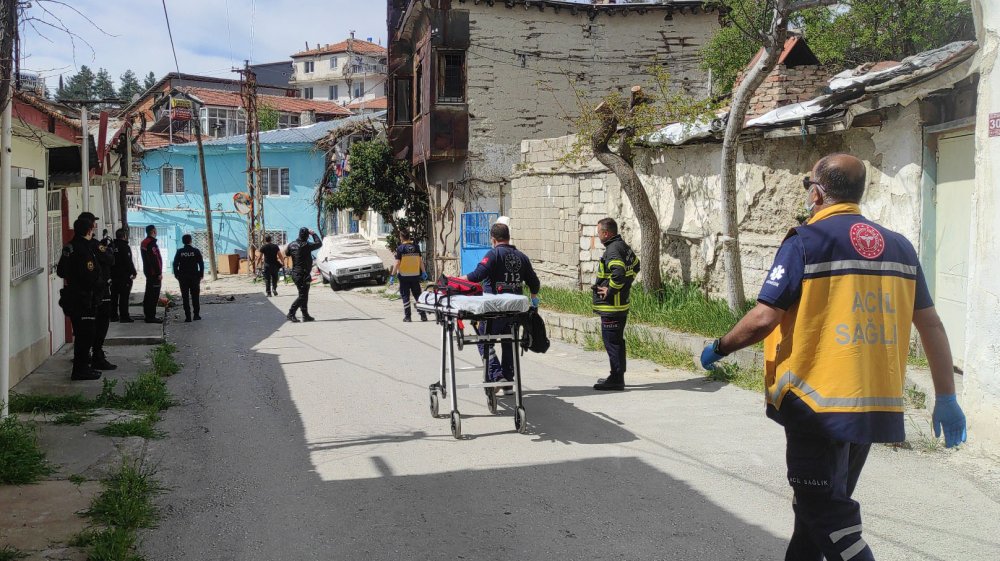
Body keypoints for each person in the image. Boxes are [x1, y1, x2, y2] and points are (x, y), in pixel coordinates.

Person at [699, 153, 967, 561]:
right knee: (814, 516)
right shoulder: (899, 247)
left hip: (815, 405)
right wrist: (947, 397)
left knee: (828, 517)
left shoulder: (807, 241)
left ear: (818, 192)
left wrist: (720, 347)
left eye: (809, 186)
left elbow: (764, 317)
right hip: (872, 405)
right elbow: (930, 325)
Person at [462, 223, 540, 392]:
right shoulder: (522, 257)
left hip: (493, 311)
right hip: (514, 312)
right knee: (509, 342)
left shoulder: (493, 255)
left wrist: (456, 281)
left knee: (484, 340)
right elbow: (534, 283)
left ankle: (497, 375)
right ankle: (508, 381)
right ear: (508, 237)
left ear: (493, 239)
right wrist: (534, 298)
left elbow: (476, 276)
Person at [591, 217, 640, 391]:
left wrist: (611, 290)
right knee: (616, 341)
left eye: (599, 233)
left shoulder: (612, 250)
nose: (598, 236)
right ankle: (616, 375)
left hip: (613, 306)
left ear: (606, 233)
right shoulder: (622, 246)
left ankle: (617, 378)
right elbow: (636, 265)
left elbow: (618, 272)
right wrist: (626, 285)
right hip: (620, 305)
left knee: (612, 341)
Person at [55, 218, 102, 381]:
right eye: (92, 228)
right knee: (86, 335)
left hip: (72, 297)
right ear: (89, 230)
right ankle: (81, 370)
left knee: (81, 334)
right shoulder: (84, 249)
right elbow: (91, 276)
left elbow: (60, 271)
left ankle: (82, 368)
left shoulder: (70, 246)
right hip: (84, 299)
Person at [79, 212, 116, 371]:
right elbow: (110, 259)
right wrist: (108, 249)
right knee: (100, 324)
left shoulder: (74, 244)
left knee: (84, 326)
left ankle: (83, 356)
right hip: (99, 291)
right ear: (90, 226)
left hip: (81, 293)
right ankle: (97, 355)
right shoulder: (94, 244)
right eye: (94, 223)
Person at [388, 231, 428, 322]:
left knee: (405, 296)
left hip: (404, 276)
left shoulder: (400, 248)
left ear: (401, 238)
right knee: (418, 295)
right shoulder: (416, 247)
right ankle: (423, 316)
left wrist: (392, 275)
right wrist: (424, 272)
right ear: (409, 237)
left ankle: (408, 317)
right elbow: (421, 261)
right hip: (415, 275)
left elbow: (397, 263)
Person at [286, 227, 323, 322]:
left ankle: (305, 315)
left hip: (296, 273)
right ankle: (291, 313)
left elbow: (287, 253)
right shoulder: (306, 245)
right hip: (302, 274)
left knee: (303, 294)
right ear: (307, 236)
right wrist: (313, 234)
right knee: (303, 296)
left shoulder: (291, 244)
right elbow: (319, 243)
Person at [173, 234, 205, 322]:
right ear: (191, 241)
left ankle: (188, 317)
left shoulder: (180, 251)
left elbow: (175, 264)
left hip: (183, 277)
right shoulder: (195, 251)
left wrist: (177, 275)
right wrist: (201, 274)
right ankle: (196, 315)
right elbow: (201, 264)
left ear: (183, 242)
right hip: (194, 277)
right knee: (195, 296)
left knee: (185, 297)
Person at [110, 228, 137, 323]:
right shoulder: (124, 247)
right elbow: (128, 261)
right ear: (124, 236)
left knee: (113, 296)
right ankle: (124, 316)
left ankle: (113, 316)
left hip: (112, 276)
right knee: (124, 297)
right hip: (123, 276)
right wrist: (133, 272)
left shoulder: (111, 246)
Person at [140, 225, 164, 323]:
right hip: (154, 273)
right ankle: (151, 316)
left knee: (149, 294)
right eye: (156, 231)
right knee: (153, 296)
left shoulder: (144, 242)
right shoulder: (151, 243)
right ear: (153, 231)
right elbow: (154, 259)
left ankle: (148, 314)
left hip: (148, 272)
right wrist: (158, 273)